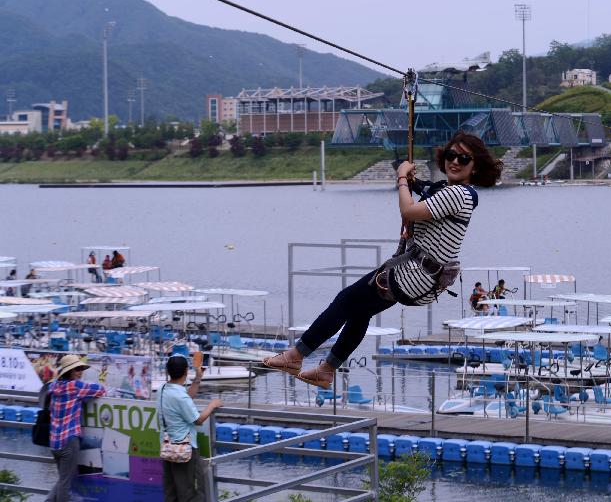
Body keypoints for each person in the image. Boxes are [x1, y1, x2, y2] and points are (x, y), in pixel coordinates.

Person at [262, 132, 502, 389]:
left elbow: (409, 210)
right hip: (421, 277)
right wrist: (412, 181)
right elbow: (427, 191)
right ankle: (327, 370)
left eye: (463, 158)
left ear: (474, 166)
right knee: (360, 311)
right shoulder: (450, 190)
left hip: (412, 275)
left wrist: (401, 177)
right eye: (451, 155)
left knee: (345, 300)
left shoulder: (459, 194)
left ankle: (295, 356)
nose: (455, 161)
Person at [160, 355, 223, 502]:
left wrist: (198, 378)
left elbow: (186, 398)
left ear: (168, 371)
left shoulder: (164, 389)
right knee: (190, 493)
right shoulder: (180, 397)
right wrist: (212, 405)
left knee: (171, 493)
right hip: (185, 451)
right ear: (186, 371)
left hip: (168, 448)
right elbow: (199, 420)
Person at [46, 354, 106, 502]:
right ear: (69, 372)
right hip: (69, 440)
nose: (80, 372)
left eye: (81, 369)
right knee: (66, 484)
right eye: (77, 369)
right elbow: (100, 390)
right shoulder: (75, 387)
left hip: (54, 441)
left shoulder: (54, 387)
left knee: (63, 478)